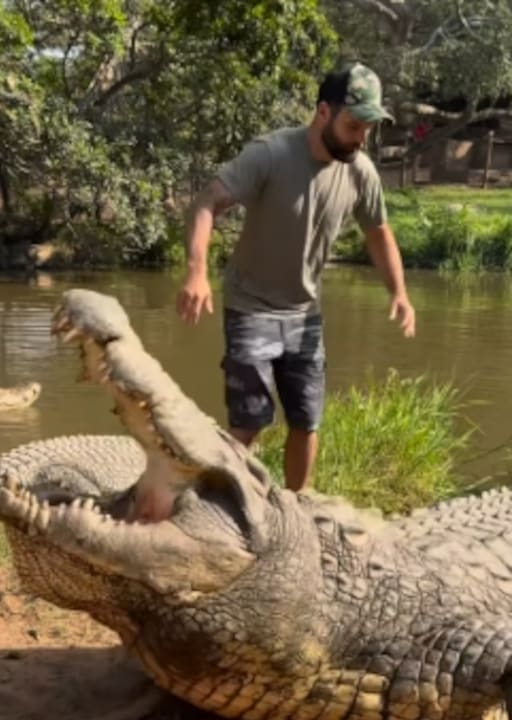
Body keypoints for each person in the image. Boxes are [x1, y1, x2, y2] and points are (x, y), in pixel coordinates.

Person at [176, 62, 416, 492]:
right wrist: (196, 272)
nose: (362, 137)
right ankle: (217, 505)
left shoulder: (360, 171)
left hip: (305, 313)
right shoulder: (270, 154)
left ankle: (296, 505)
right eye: (354, 124)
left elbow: (379, 233)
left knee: (307, 420)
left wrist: (398, 292)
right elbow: (207, 202)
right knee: (249, 421)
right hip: (250, 305)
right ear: (324, 112)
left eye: (369, 127)